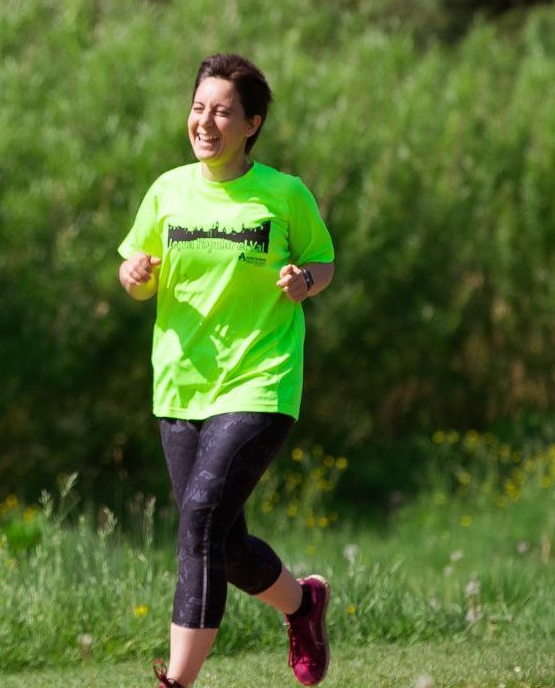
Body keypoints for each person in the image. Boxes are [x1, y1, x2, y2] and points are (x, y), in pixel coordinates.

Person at [115, 53, 336, 688]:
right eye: (198, 107)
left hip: (261, 379)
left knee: (202, 516)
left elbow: (322, 263)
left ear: (252, 123)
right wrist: (133, 275)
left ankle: (176, 682)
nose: (205, 121)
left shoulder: (284, 193)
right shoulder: (167, 190)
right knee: (223, 539)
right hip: (182, 385)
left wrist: (303, 281)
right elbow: (136, 269)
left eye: (222, 112)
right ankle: (303, 604)